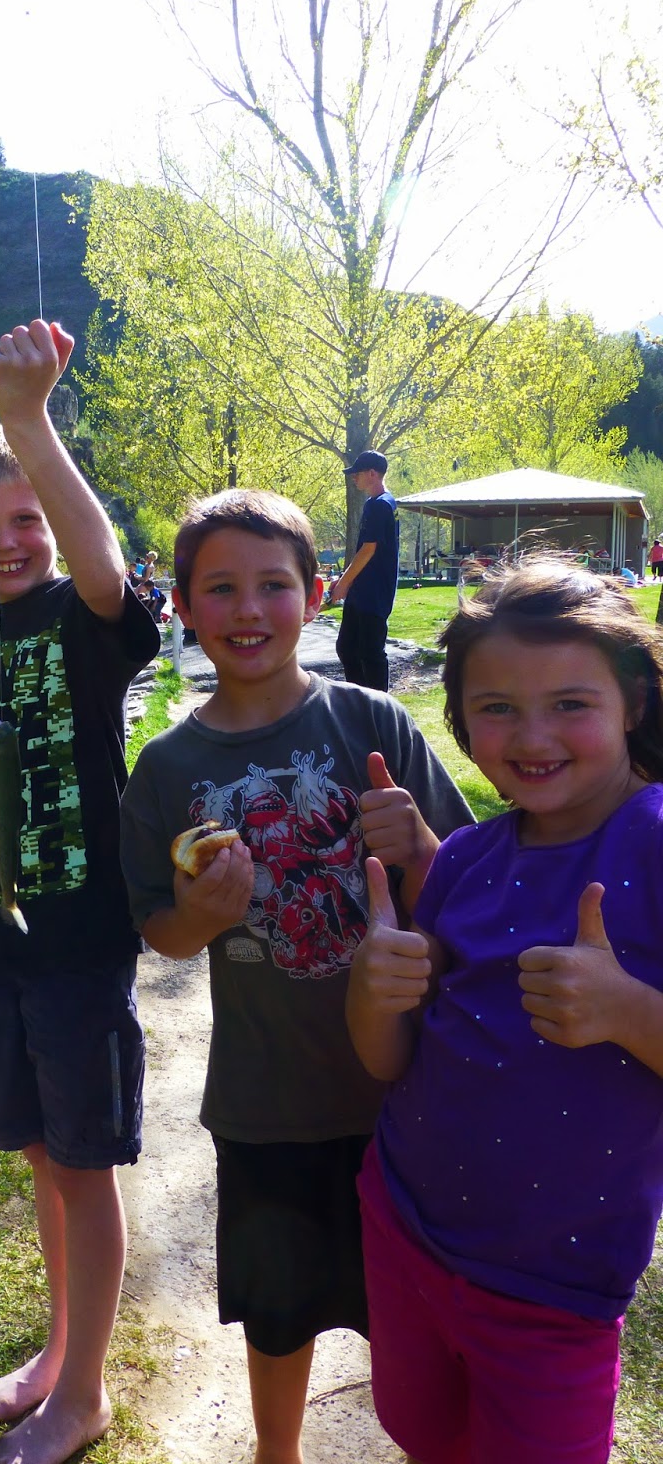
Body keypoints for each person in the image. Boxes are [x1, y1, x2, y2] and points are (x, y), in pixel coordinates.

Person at [118, 488, 473, 1464]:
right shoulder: (164, 766)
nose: (246, 610)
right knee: (278, 1315)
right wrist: (200, 912)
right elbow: (162, 932)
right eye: (219, 588)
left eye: (273, 585)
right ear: (181, 606)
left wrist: (421, 843)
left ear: (315, 594)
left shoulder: (372, 724)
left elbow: (469, 892)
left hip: (402, 1095)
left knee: (410, 1311)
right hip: (263, 1102)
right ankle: (279, 1454)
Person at [346, 557, 663, 1464]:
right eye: (497, 708)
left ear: (633, 703)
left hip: (555, 1289)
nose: (534, 735)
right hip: (403, 1230)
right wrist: (372, 993)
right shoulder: (462, 861)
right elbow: (387, 1059)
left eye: (571, 703)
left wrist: (629, 1009)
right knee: (423, 1435)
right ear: (460, 720)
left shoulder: (655, 836)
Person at [0, 318, 160, 1464]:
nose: (9, 541)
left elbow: (105, 569)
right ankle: (59, 1352)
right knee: (36, 1153)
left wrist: (29, 423)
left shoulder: (86, 618)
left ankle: (87, 1393)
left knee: (86, 1160)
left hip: (78, 938)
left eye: (27, 520)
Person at [328, 450, 398, 692]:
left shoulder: (380, 505)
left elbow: (369, 549)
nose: (353, 478)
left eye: (357, 473)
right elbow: (365, 550)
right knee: (347, 647)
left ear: (372, 473)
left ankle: (378, 706)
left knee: (370, 652)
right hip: (364, 589)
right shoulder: (378, 503)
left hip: (374, 592)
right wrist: (346, 578)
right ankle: (360, 699)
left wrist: (344, 583)